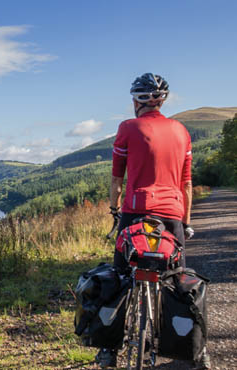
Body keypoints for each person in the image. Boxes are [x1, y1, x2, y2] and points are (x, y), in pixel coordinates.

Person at [95, 73, 210, 369]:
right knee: (177, 278)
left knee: (121, 275)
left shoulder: (127, 128)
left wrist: (114, 207)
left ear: (136, 101)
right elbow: (186, 183)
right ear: (163, 101)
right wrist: (185, 221)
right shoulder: (181, 132)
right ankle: (195, 349)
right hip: (172, 214)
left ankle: (108, 350)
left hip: (136, 212)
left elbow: (117, 178)